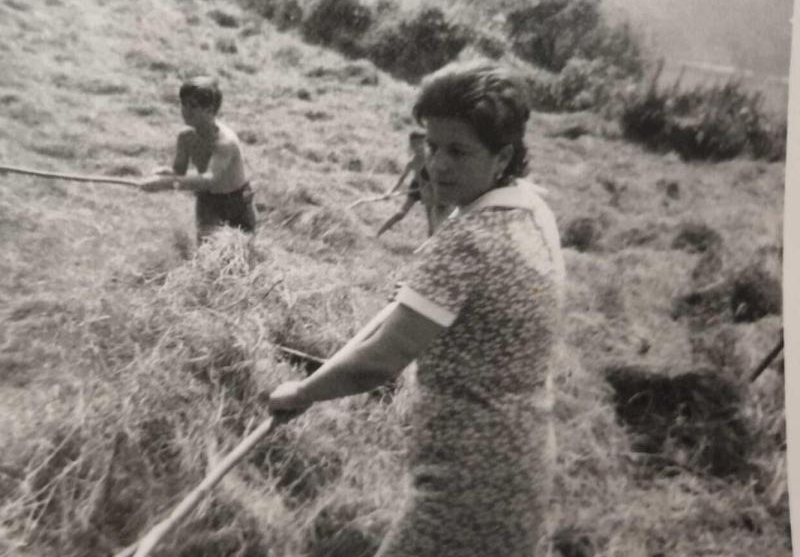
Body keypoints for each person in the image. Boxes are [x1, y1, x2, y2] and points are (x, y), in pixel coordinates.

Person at [267, 60, 565, 557]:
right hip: (522, 456)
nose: (437, 165)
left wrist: (301, 392)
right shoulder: (531, 208)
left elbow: (379, 362)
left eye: (458, 151)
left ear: (502, 155)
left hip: (467, 479)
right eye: (432, 145)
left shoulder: (468, 241)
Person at [139, 76, 256, 244]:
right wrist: (166, 174)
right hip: (208, 201)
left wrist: (165, 183)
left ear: (210, 110)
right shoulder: (186, 137)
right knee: (207, 253)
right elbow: (179, 171)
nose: (186, 111)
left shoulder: (225, 142)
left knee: (240, 254)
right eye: (183, 104)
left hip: (236, 202)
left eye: (193, 106)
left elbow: (208, 179)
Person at [377, 131, 452, 238]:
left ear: (425, 144)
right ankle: (378, 234)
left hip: (429, 189)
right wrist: (390, 192)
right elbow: (401, 179)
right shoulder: (412, 163)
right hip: (415, 187)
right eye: (414, 145)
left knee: (431, 222)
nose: (417, 147)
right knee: (400, 214)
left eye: (420, 144)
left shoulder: (432, 159)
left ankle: (430, 246)